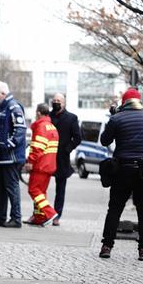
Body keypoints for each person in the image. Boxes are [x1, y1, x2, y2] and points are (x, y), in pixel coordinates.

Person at [98, 88, 143, 261]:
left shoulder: (116, 118)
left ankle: (107, 246)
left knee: (115, 209)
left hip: (123, 169)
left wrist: (113, 117)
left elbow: (104, 141)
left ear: (124, 102)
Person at [0, 81, 27, 229]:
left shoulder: (13, 107)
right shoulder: (0, 108)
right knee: (0, 188)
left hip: (10, 157)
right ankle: (1, 217)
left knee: (11, 187)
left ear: (3, 93)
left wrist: (9, 145)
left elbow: (20, 129)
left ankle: (16, 218)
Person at [23, 104, 60, 227]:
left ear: (38, 113)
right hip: (49, 165)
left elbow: (38, 147)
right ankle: (39, 217)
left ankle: (49, 213)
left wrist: (30, 162)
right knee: (41, 192)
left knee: (33, 189)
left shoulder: (41, 127)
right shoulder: (52, 127)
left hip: (40, 165)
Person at [49, 93, 81, 226]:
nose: (56, 102)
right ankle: (40, 213)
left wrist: (67, 149)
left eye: (59, 101)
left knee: (60, 189)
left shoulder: (72, 118)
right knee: (40, 186)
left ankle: (57, 215)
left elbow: (77, 138)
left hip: (62, 158)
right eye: (54, 100)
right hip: (47, 156)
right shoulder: (48, 116)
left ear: (64, 103)